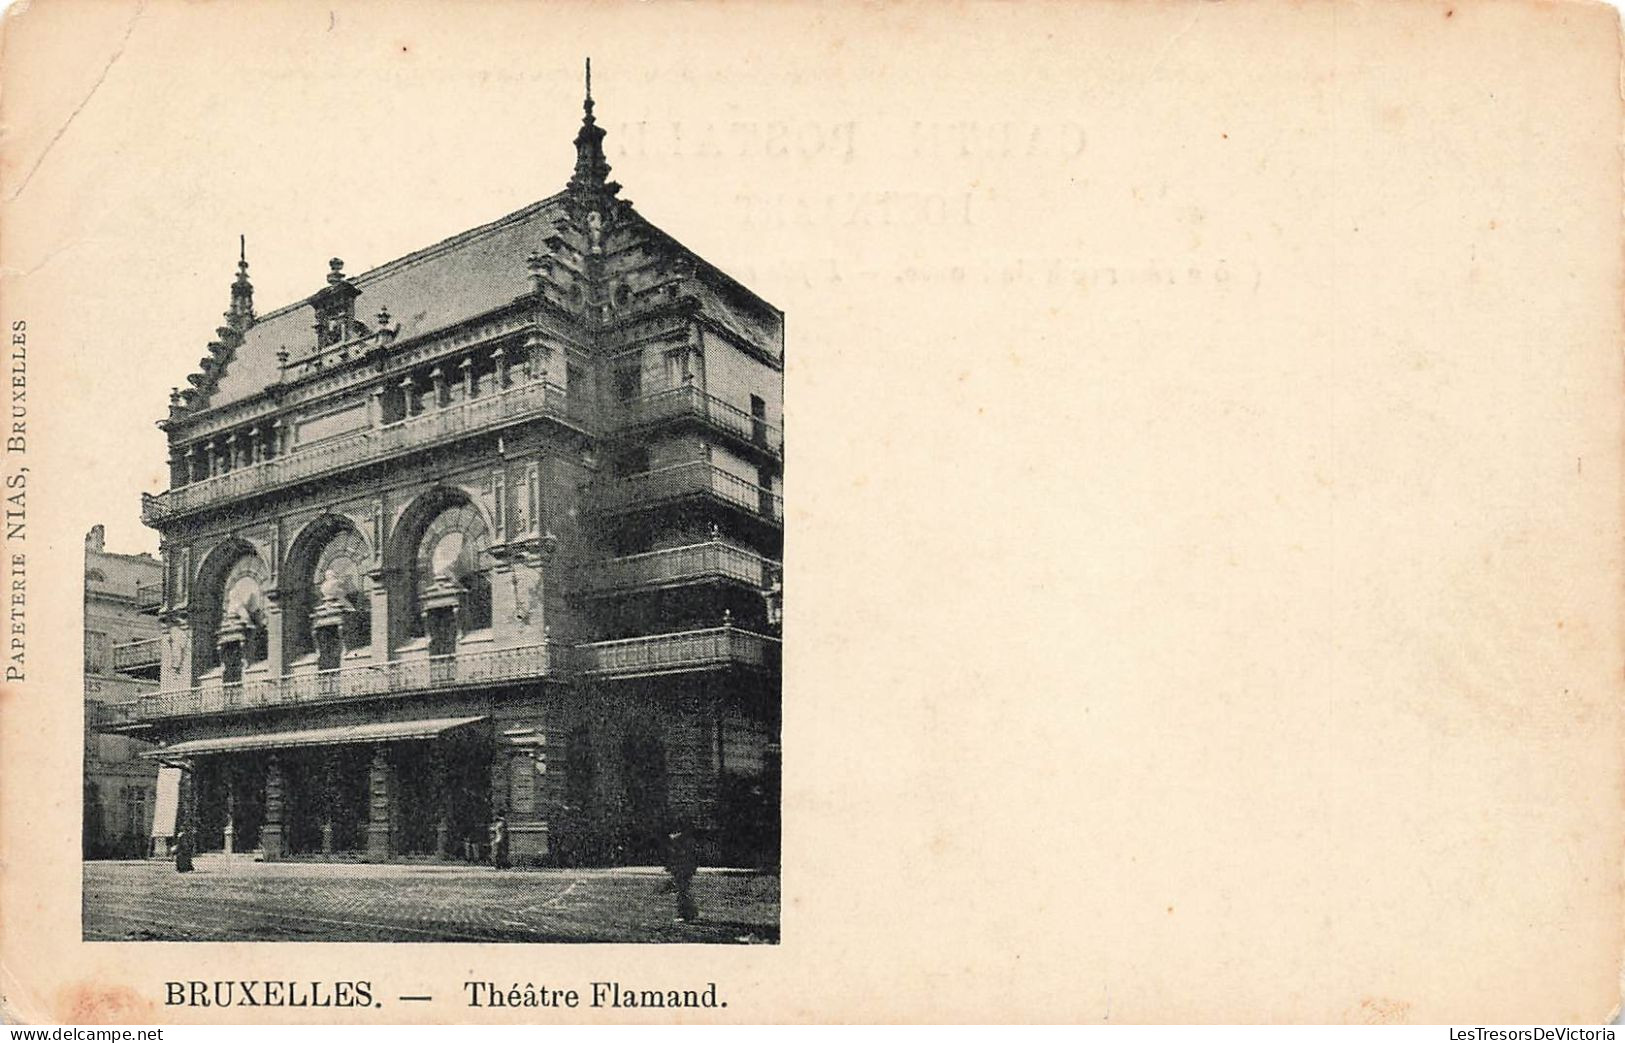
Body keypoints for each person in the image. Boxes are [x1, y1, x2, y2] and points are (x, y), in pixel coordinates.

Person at [664, 823, 699, 922]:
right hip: (684, 868)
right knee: (683, 890)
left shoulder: (682, 842)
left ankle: (686, 913)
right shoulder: (688, 842)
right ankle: (689, 912)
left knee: (682, 890)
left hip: (683, 868)